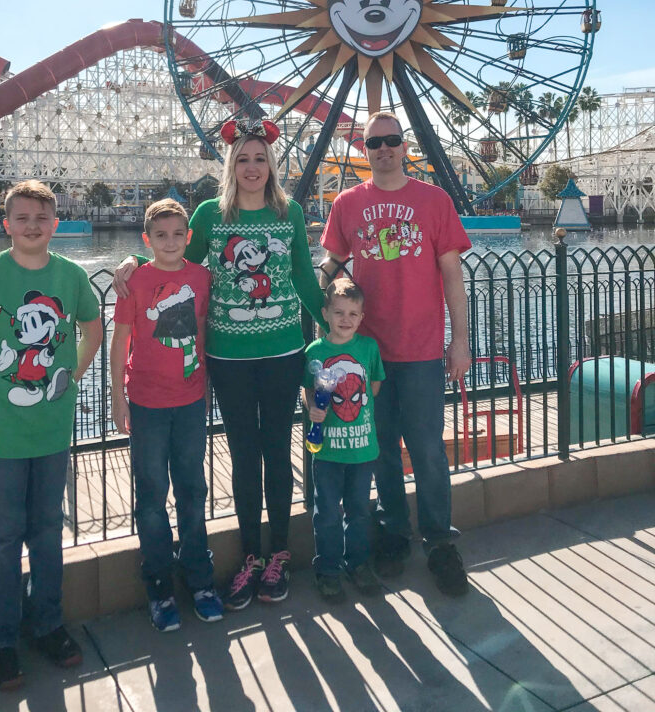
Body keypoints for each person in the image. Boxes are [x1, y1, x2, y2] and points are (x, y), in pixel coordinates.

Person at [114, 118, 325, 609]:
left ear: (271, 164)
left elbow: (302, 277)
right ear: (232, 164)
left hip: (283, 351)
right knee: (243, 452)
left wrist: (339, 333)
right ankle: (250, 554)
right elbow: (172, 262)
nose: (252, 167)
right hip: (227, 356)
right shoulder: (210, 213)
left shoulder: (288, 212)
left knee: (278, 451)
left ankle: (278, 555)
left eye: (260, 158)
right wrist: (131, 263)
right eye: (243, 159)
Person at [0, 180, 103, 691]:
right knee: (3, 535)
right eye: (23, 217)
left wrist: (73, 375)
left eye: (42, 217)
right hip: (3, 431)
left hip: (53, 427)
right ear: (6, 223)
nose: (33, 225)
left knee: (47, 531)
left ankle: (47, 625)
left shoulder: (72, 275)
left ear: (55, 223)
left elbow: (92, 328)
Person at [319, 111, 472, 596]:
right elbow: (330, 265)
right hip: (365, 353)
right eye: (373, 142)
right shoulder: (347, 204)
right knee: (380, 447)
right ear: (364, 151)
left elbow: (452, 275)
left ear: (405, 146)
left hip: (422, 347)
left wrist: (461, 339)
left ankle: (440, 542)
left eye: (390, 140)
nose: (382, 149)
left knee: (427, 448)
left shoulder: (434, 200)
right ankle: (394, 534)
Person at [109, 198, 223, 632]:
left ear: (189, 238)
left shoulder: (203, 277)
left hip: (192, 400)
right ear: (147, 240)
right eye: (161, 235)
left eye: (178, 234)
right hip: (147, 401)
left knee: (193, 490)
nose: (171, 242)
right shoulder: (135, 281)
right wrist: (117, 398)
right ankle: (158, 585)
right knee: (152, 497)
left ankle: (201, 580)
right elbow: (120, 343)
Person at [303, 278, 385, 602]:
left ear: (361, 317)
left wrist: (353, 397)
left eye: (353, 313)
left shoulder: (368, 348)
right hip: (327, 452)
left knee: (359, 511)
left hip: (363, 450)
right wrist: (313, 408)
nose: (345, 319)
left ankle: (358, 563)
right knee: (326, 512)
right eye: (339, 312)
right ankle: (328, 569)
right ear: (325, 314)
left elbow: (374, 386)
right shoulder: (315, 352)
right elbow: (308, 389)